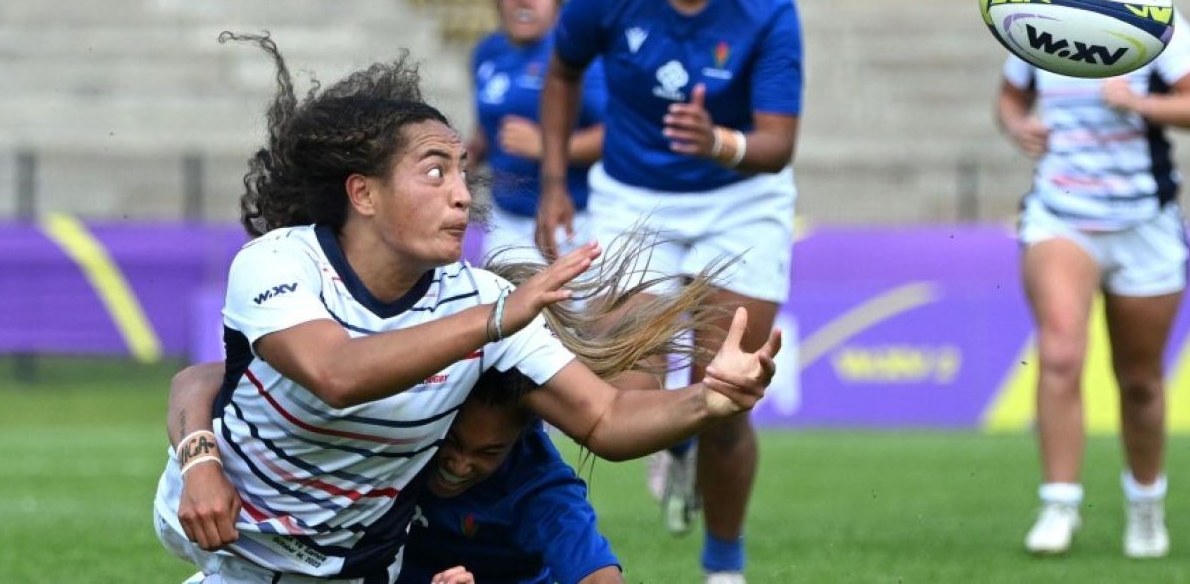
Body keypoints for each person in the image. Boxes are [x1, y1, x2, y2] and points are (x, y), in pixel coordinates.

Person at [153, 32, 780, 583]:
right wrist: (201, 458)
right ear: (363, 193)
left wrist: (710, 401)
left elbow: (608, 418)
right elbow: (329, 374)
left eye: (461, 171)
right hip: (223, 544)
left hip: (352, 571)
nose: (460, 194)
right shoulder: (282, 262)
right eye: (433, 172)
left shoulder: (483, 301)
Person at [534, 0, 802, 581]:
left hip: (740, 199)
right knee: (627, 392)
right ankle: (678, 435)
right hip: (635, 196)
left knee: (728, 393)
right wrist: (551, 182)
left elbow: (778, 143)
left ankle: (723, 567)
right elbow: (562, 73)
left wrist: (718, 142)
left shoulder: (767, 1)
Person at [993, 0, 1190, 560]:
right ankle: (1059, 505)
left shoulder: (1159, 25)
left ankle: (1145, 505)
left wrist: (1141, 102)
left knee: (1141, 380)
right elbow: (1011, 97)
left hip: (1143, 221)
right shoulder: (1038, 14)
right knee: (1062, 351)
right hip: (1061, 214)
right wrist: (1020, 127)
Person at [167, 361, 624, 584]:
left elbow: (597, 576)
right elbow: (194, 381)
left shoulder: (537, 485)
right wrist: (200, 465)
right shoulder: (387, 414)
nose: (461, 464)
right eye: (454, 443)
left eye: (489, 452)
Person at [469, 0, 607, 265]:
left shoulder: (576, 59)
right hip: (504, 216)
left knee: (571, 315)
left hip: (573, 218)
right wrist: (467, 157)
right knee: (508, 312)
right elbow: (489, 129)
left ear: (558, 1)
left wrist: (546, 146)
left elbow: (613, 136)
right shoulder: (487, 52)